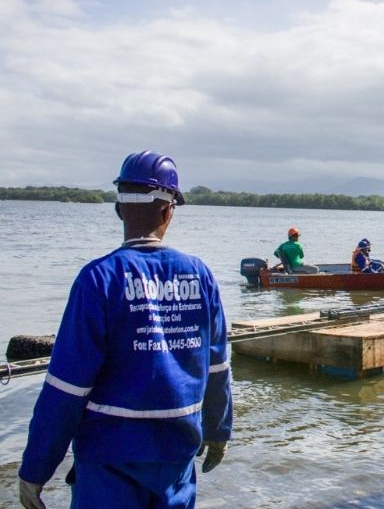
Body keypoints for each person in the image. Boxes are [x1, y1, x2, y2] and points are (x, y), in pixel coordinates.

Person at [18, 150, 232, 509]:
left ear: (119, 209)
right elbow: (217, 366)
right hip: (176, 457)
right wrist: (218, 430)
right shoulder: (200, 275)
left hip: (109, 459)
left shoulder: (99, 279)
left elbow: (67, 387)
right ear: (168, 212)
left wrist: (35, 469)